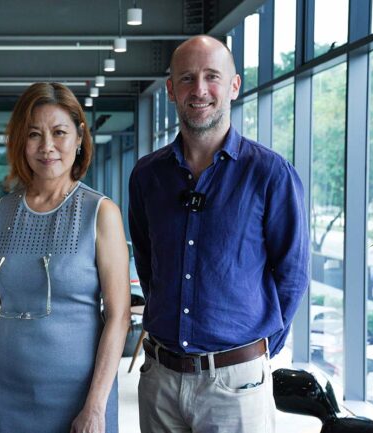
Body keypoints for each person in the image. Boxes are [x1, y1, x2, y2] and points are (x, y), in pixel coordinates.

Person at [129, 35, 309, 432]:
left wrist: (255, 353)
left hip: (237, 385)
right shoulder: (147, 175)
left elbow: (292, 274)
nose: (200, 90)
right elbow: (147, 261)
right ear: (171, 90)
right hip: (160, 380)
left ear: (233, 86)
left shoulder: (270, 174)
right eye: (187, 78)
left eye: (212, 76)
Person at [0, 82, 130, 433]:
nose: (47, 147)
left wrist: (95, 406)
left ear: (79, 137)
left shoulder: (100, 213)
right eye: (33, 134)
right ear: (19, 141)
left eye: (59, 132)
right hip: (7, 392)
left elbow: (118, 316)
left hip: (77, 399)